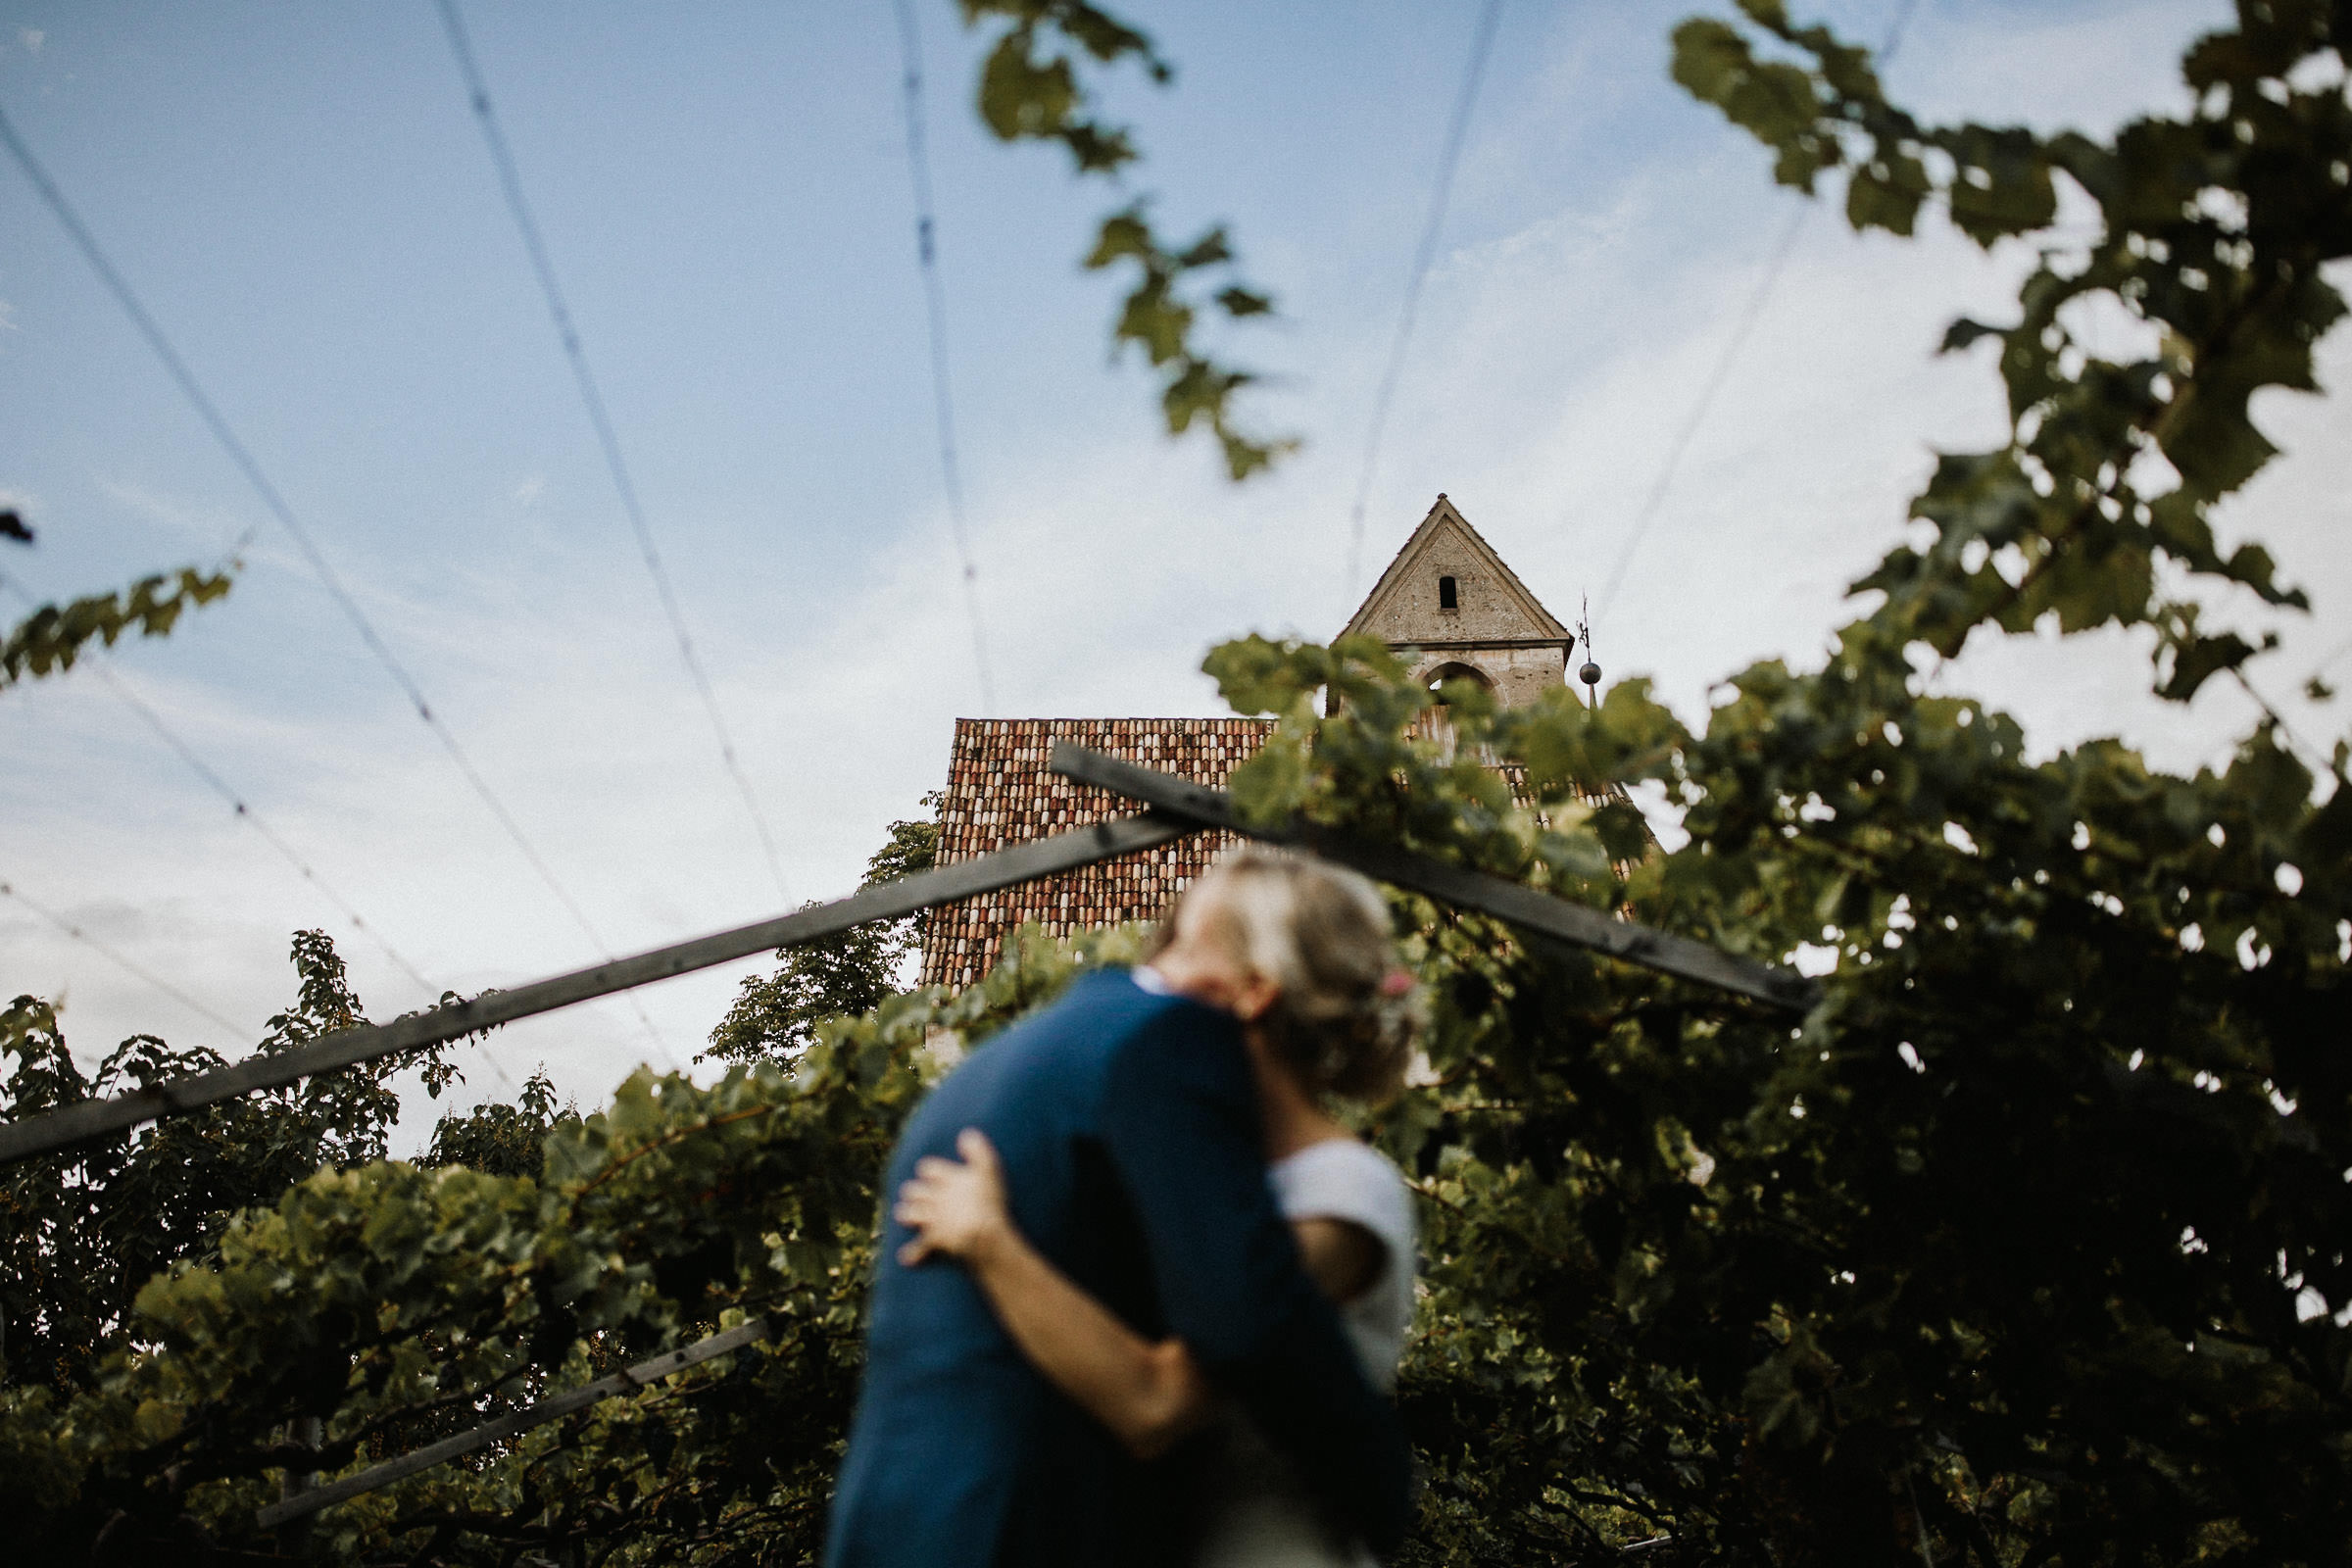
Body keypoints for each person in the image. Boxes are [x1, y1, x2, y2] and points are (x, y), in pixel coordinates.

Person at [823, 849, 1416, 1568]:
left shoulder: (1341, 1185)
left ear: (1255, 990)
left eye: (1187, 950)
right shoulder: (1188, 1151)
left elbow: (1169, 1389)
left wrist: (992, 1243)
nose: (1157, 977)